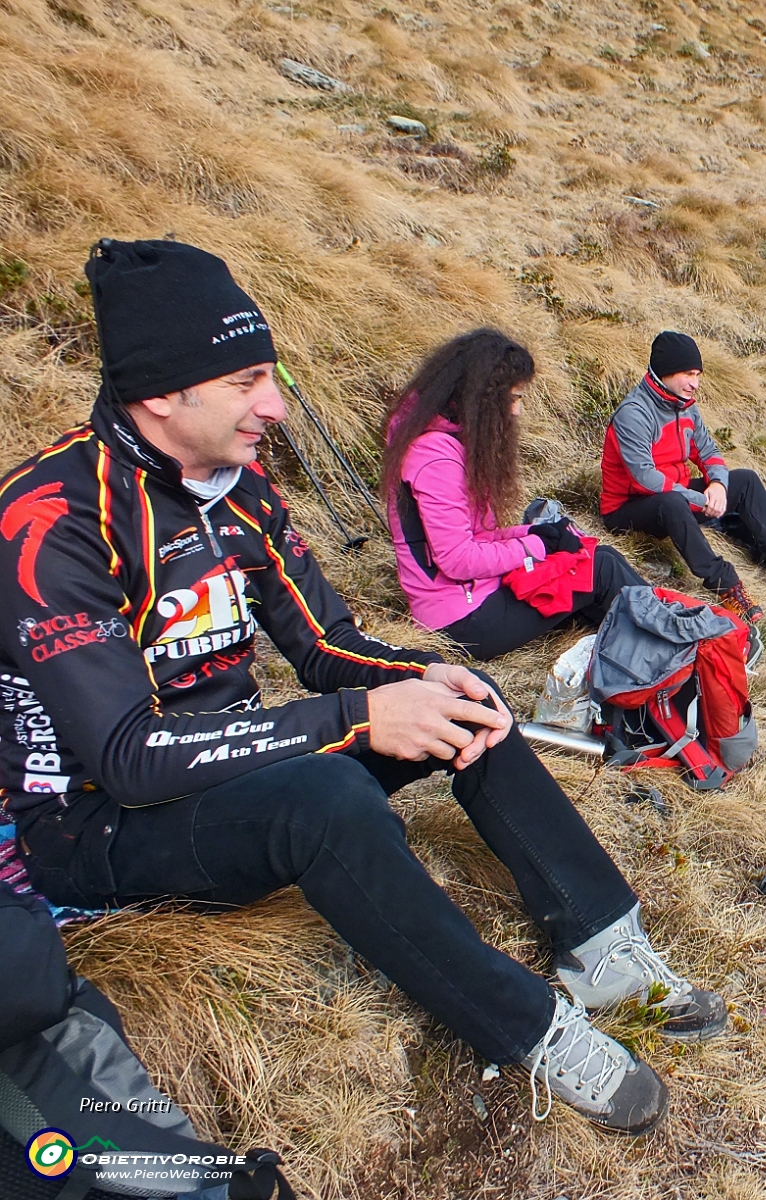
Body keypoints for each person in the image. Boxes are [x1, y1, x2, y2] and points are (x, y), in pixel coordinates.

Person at [0, 239, 726, 1137]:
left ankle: (604, 943)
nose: (273, 405)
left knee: (469, 704)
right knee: (328, 795)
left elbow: (325, 642)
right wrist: (360, 717)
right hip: (94, 825)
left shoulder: (240, 490)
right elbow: (128, 755)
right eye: (245, 383)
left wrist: (423, 678)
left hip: (230, 770)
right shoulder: (50, 521)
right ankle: (531, 1029)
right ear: (161, 391)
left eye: (272, 377)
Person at [383, 328, 647, 661]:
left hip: (471, 599)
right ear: (483, 398)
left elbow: (477, 536)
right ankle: (676, 639)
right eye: (515, 397)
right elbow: (457, 559)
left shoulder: (445, 440)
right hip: (460, 621)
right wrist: (536, 547)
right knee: (602, 569)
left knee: (590, 572)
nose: (517, 410)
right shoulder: (435, 457)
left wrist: (535, 533)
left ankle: (649, 644)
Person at [600, 331, 766, 622]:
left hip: (674, 494)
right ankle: (727, 587)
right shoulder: (634, 413)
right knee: (672, 502)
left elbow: (708, 451)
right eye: (689, 374)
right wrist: (700, 499)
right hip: (627, 508)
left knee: (747, 480)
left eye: (698, 375)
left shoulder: (685, 406)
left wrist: (718, 485)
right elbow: (644, 479)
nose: (695, 383)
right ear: (666, 371)